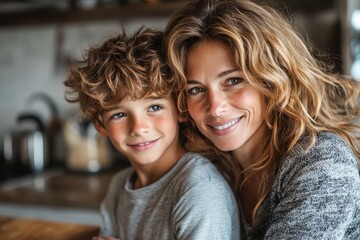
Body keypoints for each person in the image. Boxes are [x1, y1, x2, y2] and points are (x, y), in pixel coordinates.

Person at [164, 0, 360, 239]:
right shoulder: (211, 170)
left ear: (273, 79)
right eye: (195, 89)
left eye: (234, 80)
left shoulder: (321, 162)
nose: (215, 107)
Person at [64, 27, 240, 240]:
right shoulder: (119, 187)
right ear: (100, 126)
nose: (138, 128)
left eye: (155, 107)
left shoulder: (200, 190)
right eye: (119, 114)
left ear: (180, 110)